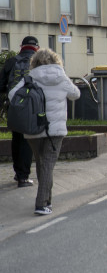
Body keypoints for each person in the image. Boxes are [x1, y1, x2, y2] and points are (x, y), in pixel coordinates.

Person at [9, 49, 79, 215]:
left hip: (33, 128)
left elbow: (13, 95)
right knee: (47, 164)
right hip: (55, 130)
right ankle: (42, 204)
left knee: (42, 163)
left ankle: (47, 200)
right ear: (56, 60)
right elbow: (75, 94)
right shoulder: (61, 76)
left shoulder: (30, 77)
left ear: (35, 61)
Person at [0, 36, 38, 187]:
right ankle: (24, 177)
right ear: (37, 47)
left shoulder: (11, 61)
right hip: (32, 106)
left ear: (21, 46)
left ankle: (18, 174)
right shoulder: (37, 62)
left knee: (16, 139)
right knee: (27, 140)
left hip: (14, 105)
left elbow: (1, 85)